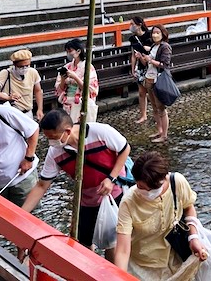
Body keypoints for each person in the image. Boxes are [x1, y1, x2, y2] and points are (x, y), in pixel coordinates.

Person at [22, 109, 130, 261]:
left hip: (113, 193)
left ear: (67, 131)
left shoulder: (100, 132)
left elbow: (125, 149)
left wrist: (110, 178)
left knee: (111, 240)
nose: (50, 142)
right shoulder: (55, 152)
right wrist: (21, 213)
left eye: (52, 137)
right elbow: (42, 185)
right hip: (86, 198)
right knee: (83, 241)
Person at [114, 151, 208, 279]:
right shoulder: (128, 202)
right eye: (140, 186)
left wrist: (193, 237)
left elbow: (189, 207)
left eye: (149, 189)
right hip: (142, 268)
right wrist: (119, 277)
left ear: (163, 180)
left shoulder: (177, 183)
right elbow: (123, 250)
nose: (143, 192)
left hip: (176, 262)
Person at [0, 49, 44, 120]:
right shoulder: (6, 73)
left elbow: (38, 91)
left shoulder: (32, 72)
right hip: (11, 113)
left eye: (27, 65)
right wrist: (8, 98)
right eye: (21, 66)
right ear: (15, 64)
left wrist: (40, 109)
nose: (24, 68)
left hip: (28, 112)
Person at [140, 24, 172, 143]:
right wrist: (142, 57)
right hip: (150, 77)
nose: (155, 35)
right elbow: (147, 63)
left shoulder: (165, 47)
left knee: (161, 108)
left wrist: (151, 60)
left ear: (163, 34)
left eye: (158, 32)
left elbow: (165, 64)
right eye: (153, 32)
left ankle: (164, 134)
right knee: (154, 107)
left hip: (158, 79)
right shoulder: (154, 46)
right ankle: (159, 130)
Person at [56, 38, 99, 124]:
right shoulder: (67, 67)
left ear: (78, 51)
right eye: (67, 51)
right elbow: (60, 88)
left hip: (80, 102)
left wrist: (75, 77)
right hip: (68, 101)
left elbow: (90, 89)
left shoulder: (88, 67)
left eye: (70, 51)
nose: (68, 53)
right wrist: (63, 79)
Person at [129, 16, 154, 124]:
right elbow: (133, 55)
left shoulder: (149, 35)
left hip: (149, 65)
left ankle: (156, 113)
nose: (131, 26)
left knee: (151, 91)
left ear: (139, 25)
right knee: (141, 92)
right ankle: (143, 115)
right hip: (140, 66)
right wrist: (133, 68)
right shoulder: (133, 39)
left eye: (132, 24)